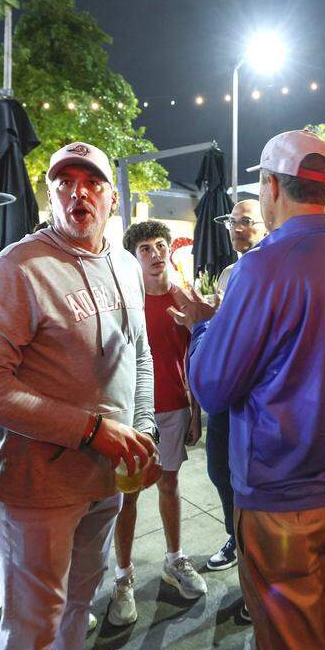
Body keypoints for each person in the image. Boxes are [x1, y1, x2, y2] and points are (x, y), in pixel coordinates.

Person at [171, 130, 325, 650]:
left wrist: (200, 327)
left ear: (270, 186)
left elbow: (214, 387)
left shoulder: (263, 266)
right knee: (317, 633)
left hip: (282, 494)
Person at [0, 140, 157, 650]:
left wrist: (142, 428)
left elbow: (138, 352)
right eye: (64, 183)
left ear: (112, 198)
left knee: (78, 605)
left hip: (104, 479)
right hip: (35, 487)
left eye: (90, 183)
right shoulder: (18, 270)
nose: (78, 193)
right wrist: (91, 430)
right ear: (50, 195)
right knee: (32, 628)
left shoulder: (124, 264)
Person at [105, 220, 207, 626]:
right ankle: (123, 577)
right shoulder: (122, 301)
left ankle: (174, 559)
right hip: (130, 414)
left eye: (159, 245)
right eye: (144, 248)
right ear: (134, 256)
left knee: (170, 483)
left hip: (174, 409)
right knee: (126, 496)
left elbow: (194, 359)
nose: (154, 253)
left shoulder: (185, 299)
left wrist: (195, 409)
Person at [201, 199, 267, 574]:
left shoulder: (271, 271)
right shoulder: (228, 273)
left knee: (251, 476)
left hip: (255, 397)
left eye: (247, 222)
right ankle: (236, 535)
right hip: (224, 390)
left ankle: (256, 553)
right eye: (233, 221)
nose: (238, 228)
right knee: (218, 469)